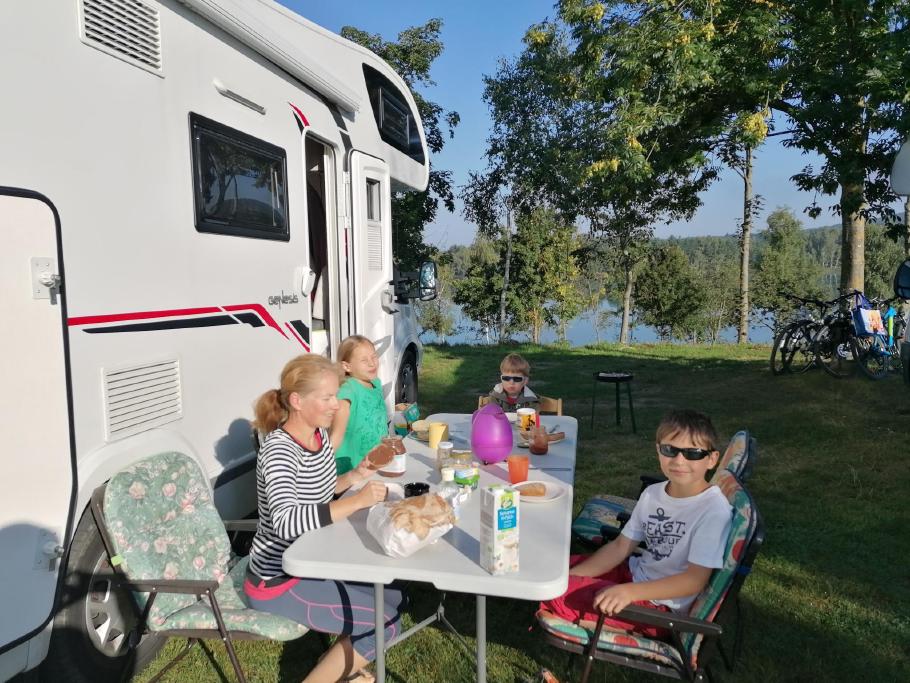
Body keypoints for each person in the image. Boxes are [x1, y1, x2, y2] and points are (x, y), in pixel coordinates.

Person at [244, 354, 397, 683]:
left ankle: (339, 667)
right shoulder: (279, 450)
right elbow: (286, 520)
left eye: (336, 396)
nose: (336, 405)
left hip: (317, 559)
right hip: (279, 579)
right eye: (327, 398)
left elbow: (321, 492)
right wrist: (355, 503)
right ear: (297, 401)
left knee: (395, 594)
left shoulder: (318, 438)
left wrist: (356, 474)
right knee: (388, 622)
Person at [541, 409, 732, 637]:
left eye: (692, 453)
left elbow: (694, 581)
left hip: (659, 608)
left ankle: (603, 623)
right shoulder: (653, 493)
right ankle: (576, 606)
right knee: (551, 573)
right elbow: (620, 547)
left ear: (711, 459)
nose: (679, 461)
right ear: (658, 450)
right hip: (633, 575)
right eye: (670, 450)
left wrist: (629, 592)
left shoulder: (713, 510)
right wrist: (574, 576)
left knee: (554, 593)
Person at [330, 335, 388, 474]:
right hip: (352, 470)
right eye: (364, 360)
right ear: (347, 366)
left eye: (374, 357)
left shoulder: (376, 384)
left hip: (376, 465)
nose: (372, 363)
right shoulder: (348, 390)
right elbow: (336, 435)